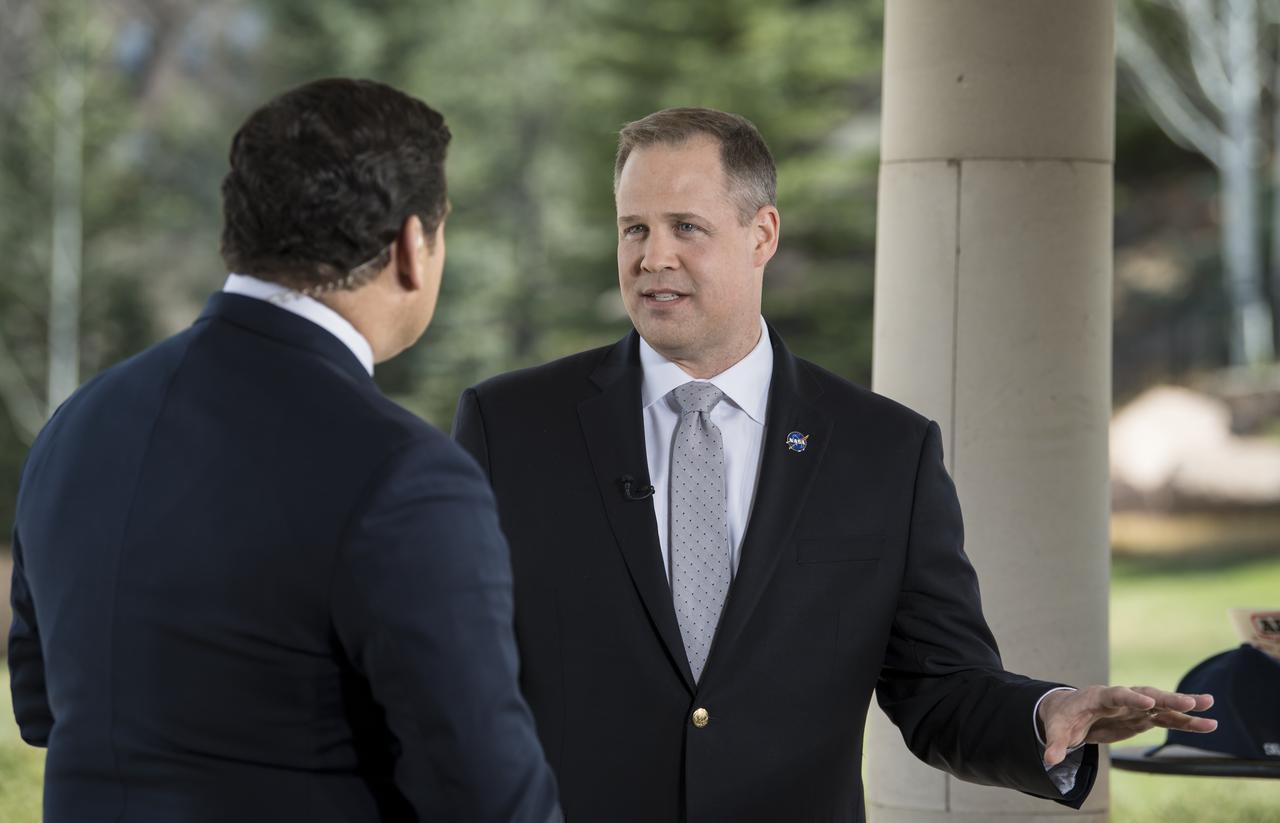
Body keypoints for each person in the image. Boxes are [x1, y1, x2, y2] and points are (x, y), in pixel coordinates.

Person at [452, 107, 1216, 822]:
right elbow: (449, 671)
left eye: (686, 226)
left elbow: (938, 686)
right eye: (633, 229)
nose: (653, 257)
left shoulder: (886, 451)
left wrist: (1045, 714)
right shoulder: (510, 426)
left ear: (763, 234)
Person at [9, 78, 559, 823]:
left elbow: (42, 711)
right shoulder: (406, 475)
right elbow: (491, 797)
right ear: (411, 246)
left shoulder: (75, 428)